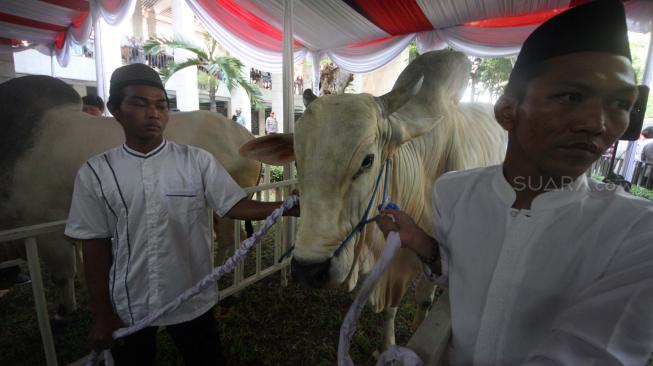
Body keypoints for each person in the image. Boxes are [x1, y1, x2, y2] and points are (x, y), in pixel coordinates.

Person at [375, 1, 653, 365]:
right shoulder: (453, 192)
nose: (598, 124)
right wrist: (425, 245)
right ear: (507, 111)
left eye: (619, 102)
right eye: (571, 96)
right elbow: (465, 277)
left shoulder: (637, 233)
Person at [64, 63, 299, 365]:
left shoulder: (196, 161)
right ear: (115, 109)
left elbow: (234, 205)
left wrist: (286, 207)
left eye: (161, 105)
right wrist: (102, 315)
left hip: (192, 297)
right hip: (130, 305)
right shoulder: (96, 172)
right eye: (140, 103)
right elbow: (94, 245)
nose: (154, 113)